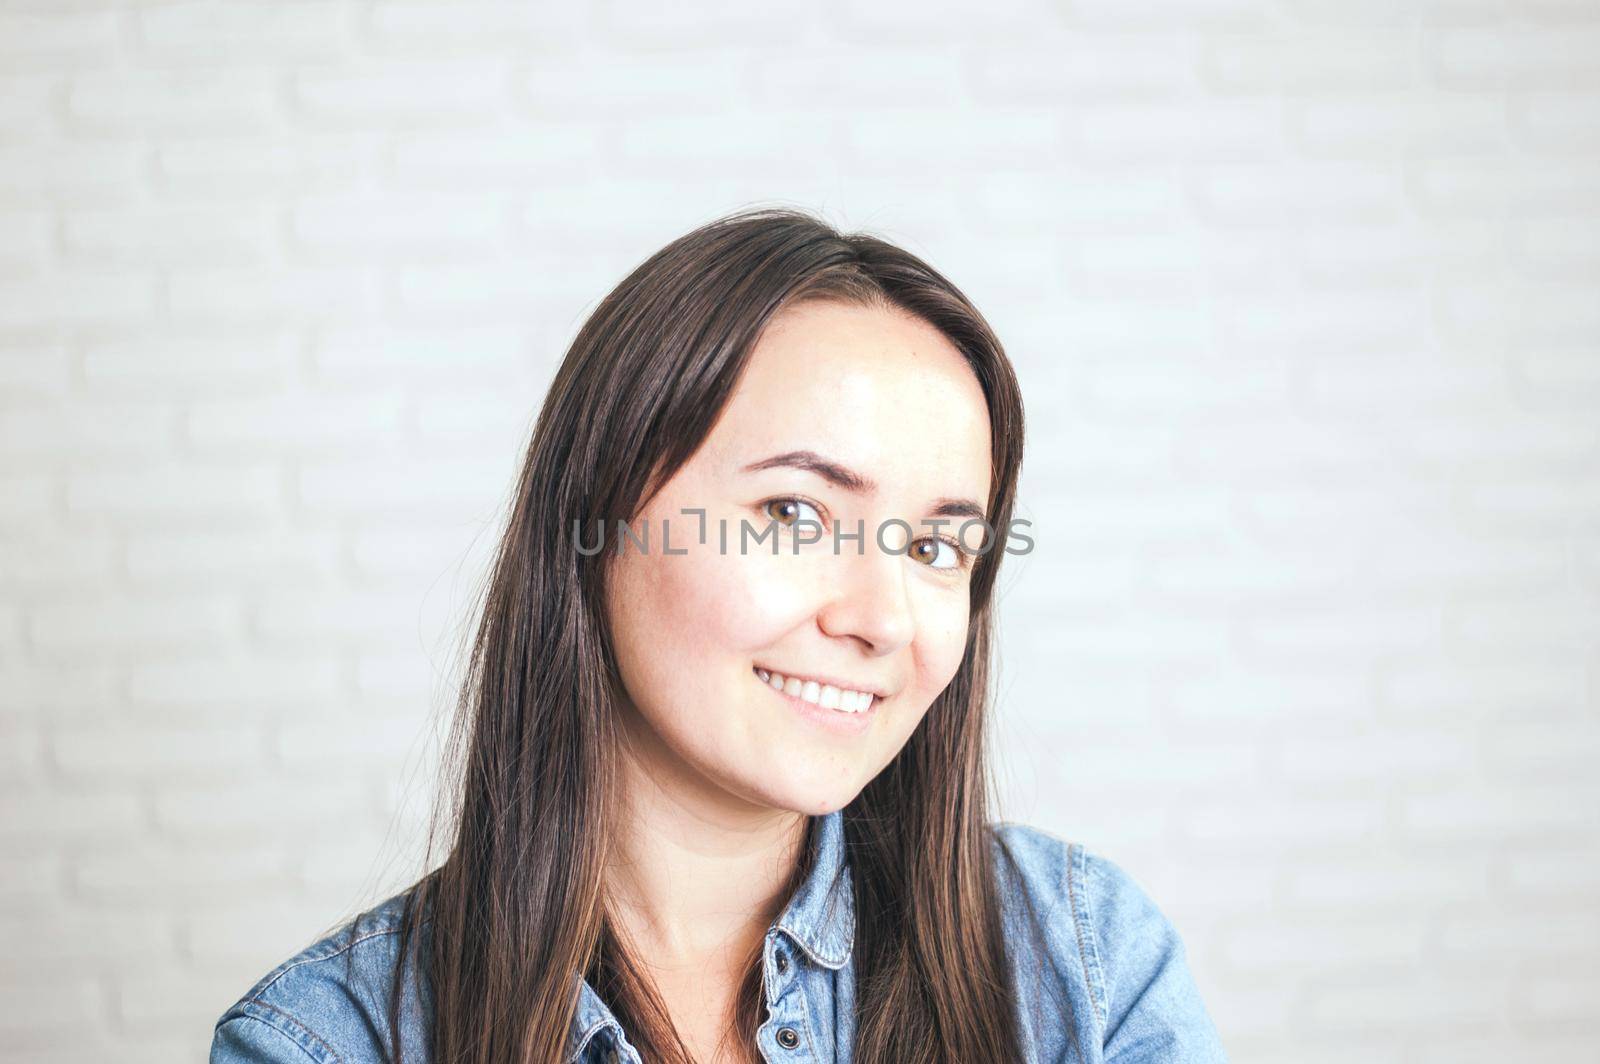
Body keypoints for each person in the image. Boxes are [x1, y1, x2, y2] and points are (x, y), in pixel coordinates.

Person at [209, 207, 1229, 1063]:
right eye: (794, 515)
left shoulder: (1083, 965)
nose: (878, 618)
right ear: (597, 516)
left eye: (935, 547)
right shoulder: (324, 1041)